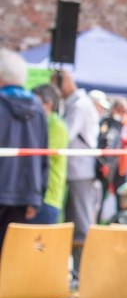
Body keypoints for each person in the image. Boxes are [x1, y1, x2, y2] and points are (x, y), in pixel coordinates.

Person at [0, 50, 50, 298]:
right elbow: (43, 155)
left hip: (4, 190)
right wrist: (37, 194)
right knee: (12, 258)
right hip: (25, 195)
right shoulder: (38, 110)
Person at [52, 68, 100, 244]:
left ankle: (82, 270)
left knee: (80, 222)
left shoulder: (79, 106)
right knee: (74, 220)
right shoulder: (76, 104)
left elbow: (65, 135)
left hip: (80, 171)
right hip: (75, 170)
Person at [30, 84, 66, 227]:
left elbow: (38, 156)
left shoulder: (56, 125)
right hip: (37, 196)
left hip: (48, 197)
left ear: (49, 104)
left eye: (36, 102)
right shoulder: (42, 122)